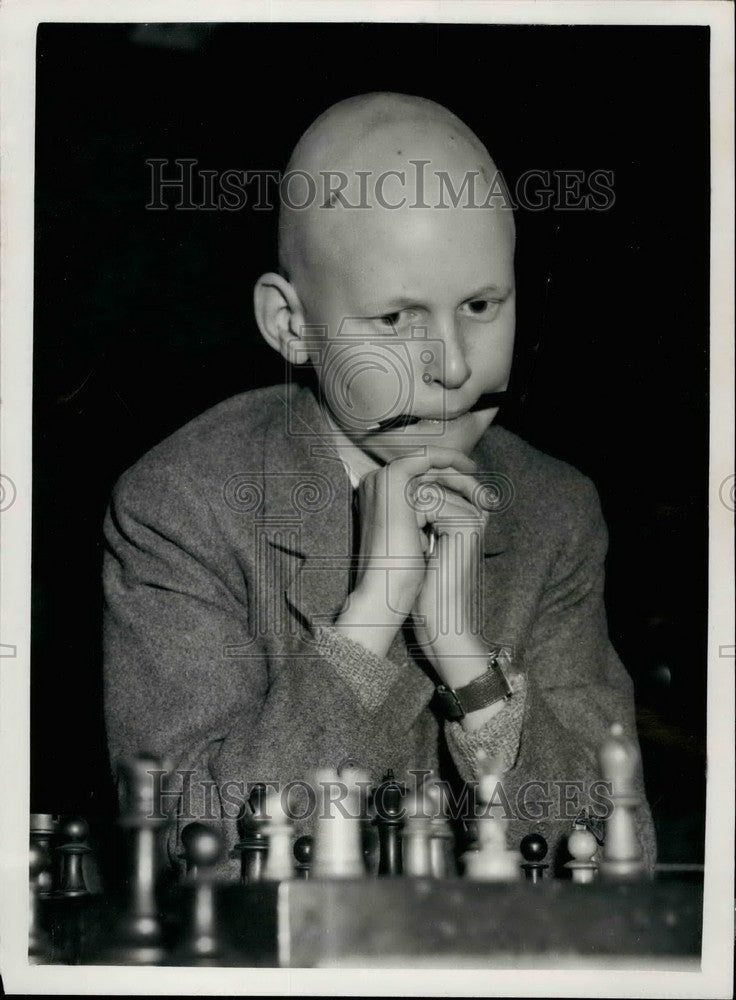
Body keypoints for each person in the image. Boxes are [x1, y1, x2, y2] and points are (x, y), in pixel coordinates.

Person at [102, 92, 656, 874]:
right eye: (396, 321)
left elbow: (614, 856)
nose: (456, 366)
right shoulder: (182, 506)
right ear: (291, 325)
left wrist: (469, 666)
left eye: (480, 304)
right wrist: (371, 620)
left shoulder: (555, 511)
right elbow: (192, 860)